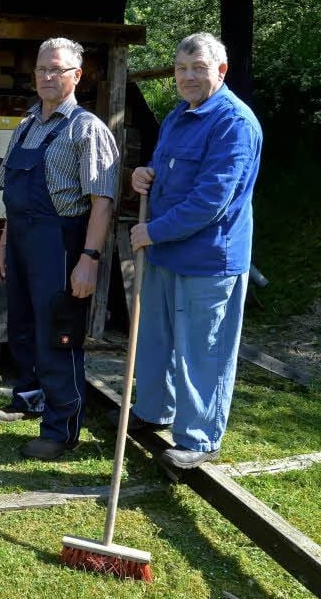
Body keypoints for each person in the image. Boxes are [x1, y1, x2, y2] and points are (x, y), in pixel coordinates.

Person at [127, 32, 262, 470]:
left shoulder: (235, 124)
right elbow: (166, 172)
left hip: (208, 262)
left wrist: (152, 232)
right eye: (181, 68)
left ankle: (200, 439)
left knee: (203, 351)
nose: (187, 76)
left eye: (198, 68)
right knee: (155, 343)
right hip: (166, 257)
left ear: (220, 71)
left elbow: (210, 201)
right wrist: (144, 174)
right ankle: (151, 412)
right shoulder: (177, 117)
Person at [0, 37, 120, 460]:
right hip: (23, 243)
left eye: (57, 70)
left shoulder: (87, 129)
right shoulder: (27, 124)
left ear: (76, 75)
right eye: (42, 69)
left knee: (58, 335)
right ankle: (29, 398)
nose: (47, 76)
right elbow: (12, 193)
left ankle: (61, 429)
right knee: (24, 327)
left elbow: (102, 203)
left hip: (61, 244)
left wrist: (89, 260)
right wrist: (4, 245)